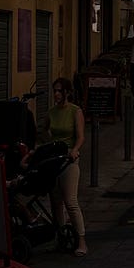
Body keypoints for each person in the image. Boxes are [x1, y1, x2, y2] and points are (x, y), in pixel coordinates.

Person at [36, 77, 88, 255]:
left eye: (59, 91)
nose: (56, 94)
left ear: (67, 92)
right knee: (55, 201)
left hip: (69, 159)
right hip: (54, 159)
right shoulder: (51, 112)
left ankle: (81, 241)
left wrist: (74, 150)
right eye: (55, 91)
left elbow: (81, 136)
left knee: (70, 201)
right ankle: (62, 237)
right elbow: (43, 130)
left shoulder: (75, 111)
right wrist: (48, 143)